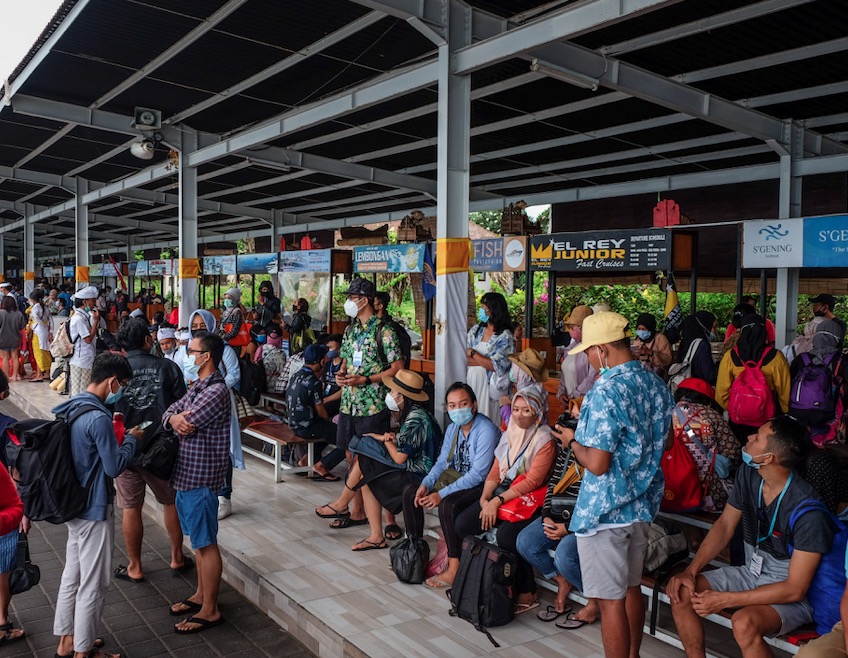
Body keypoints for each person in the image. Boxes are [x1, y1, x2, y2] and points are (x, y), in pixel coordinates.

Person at [557, 312, 674, 658]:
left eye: (591, 352)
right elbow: (665, 445)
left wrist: (571, 442)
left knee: (609, 603)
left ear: (604, 350)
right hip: (641, 508)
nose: (590, 359)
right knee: (632, 587)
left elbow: (597, 463)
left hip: (605, 511)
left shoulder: (604, 391)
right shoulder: (655, 383)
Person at [668, 416, 836, 658]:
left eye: (757, 437)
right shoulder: (749, 473)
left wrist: (725, 599)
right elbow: (725, 525)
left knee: (744, 623)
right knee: (682, 591)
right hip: (750, 572)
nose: (748, 437)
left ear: (769, 458)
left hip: (788, 591)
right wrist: (691, 571)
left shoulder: (807, 511)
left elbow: (795, 589)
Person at [52, 352, 139, 658]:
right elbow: (114, 467)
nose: (122, 390)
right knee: (94, 583)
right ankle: (84, 651)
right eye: (122, 384)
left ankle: (67, 641)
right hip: (94, 507)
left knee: (72, 576)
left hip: (73, 505)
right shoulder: (99, 417)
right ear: (112, 381)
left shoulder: (73, 407)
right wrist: (131, 441)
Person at [452, 387, 556, 613]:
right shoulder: (510, 432)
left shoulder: (545, 440)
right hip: (503, 491)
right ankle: (488, 575)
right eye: (516, 409)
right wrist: (485, 497)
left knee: (508, 536)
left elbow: (532, 482)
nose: (518, 415)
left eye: (526, 410)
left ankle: (527, 590)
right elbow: (496, 468)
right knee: (463, 523)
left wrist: (496, 501)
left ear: (538, 413)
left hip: (530, 499)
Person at [318, 370, 441, 550]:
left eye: (393, 392)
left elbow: (399, 458)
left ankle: (344, 505)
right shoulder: (417, 413)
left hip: (417, 474)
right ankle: (373, 534)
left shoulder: (415, 418)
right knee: (367, 467)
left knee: (366, 454)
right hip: (412, 467)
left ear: (403, 396)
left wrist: (385, 440)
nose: (390, 395)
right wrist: (390, 437)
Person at [112, 318, 191, 584]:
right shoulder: (167, 367)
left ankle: (135, 566)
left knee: (130, 507)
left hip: (126, 450)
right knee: (169, 502)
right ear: (148, 340)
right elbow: (182, 406)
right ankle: (177, 557)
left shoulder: (113, 371)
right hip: (162, 451)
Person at [163, 331, 231, 635]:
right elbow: (172, 413)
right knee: (198, 544)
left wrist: (177, 421)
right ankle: (201, 595)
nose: (187, 355)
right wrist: (172, 420)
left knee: (205, 543)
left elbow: (188, 422)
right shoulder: (198, 386)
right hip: (186, 473)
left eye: (191, 351)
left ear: (207, 357)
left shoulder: (216, 391)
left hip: (202, 476)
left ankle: (210, 609)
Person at [399, 383, 499, 588]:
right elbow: (442, 462)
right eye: (452, 405)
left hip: (480, 486)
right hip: (455, 479)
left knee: (448, 505)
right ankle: (414, 554)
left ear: (473, 405)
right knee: (411, 492)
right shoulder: (453, 428)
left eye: (463, 404)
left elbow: (478, 474)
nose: (457, 409)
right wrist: (426, 484)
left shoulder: (485, 429)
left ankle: (453, 568)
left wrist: (441, 494)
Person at [516, 404, 600, 628]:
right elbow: (553, 485)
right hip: (556, 516)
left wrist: (569, 528)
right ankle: (562, 581)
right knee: (525, 542)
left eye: (576, 416)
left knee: (564, 556)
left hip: (582, 523)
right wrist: (545, 516)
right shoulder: (565, 451)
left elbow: (594, 501)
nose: (568, 422)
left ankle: (596, 600)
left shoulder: (595, 456)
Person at [333, 277, 403, 527]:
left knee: (373, 460)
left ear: (364, 300)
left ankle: (390, 519)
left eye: (351, 298)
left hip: (372, 404)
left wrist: (366, 380)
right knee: (351, 457)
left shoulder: (384, 330)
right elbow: (344, 361)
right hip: (349, 403)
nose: (349, 303)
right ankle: (357, 511)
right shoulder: (351, 330)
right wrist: (340, 376)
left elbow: (397, 368)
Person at [185, 310, 241, 520]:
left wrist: (211, 388)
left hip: (219, 404)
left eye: (202, 325)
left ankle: (223, 497)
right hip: (193, 403)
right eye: (195, 325)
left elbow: (234, 375)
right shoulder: (188, 349)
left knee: (221, 448)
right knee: (199, 447)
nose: (198, 329)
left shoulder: (224, 350)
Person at [716, 313, 791, 442]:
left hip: (738, 419)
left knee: (740, 450)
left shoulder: (730, 356)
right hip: (767, 419)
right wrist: (784, 414)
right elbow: (785, 393)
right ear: (764, 332)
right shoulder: (776, 357)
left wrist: (735, 407)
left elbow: (720, 393)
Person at [672, 378, 742, 512]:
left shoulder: (664, 413)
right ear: (706, 399)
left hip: (671, 490)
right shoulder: (710, 415)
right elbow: (733, 450)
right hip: (708, 493)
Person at [286, 344, 345, 481]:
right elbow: (321, 410)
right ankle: (323, 466)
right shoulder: (314, 382)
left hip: (294, 424)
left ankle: (306, 460)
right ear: (321, 361)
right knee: (346, 440)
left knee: (329, 431)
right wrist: (327, 420)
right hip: (307, 427)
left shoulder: (296, 375)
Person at [0, 371, 25, 647]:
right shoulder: (8, 426)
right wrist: (23, 510)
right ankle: (2, 622)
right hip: (4, 506)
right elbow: (18, 470)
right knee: (2, 571)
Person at [467, 291, 515, 425]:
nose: (482, 312)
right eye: (481, 309)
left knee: (488, 419)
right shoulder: (476, 330)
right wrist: (483, 360)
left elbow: (497, 366)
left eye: (485, 309)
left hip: (490, 386)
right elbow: (462, 356)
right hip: (471, 381)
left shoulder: (505, 336)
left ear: (495, 311)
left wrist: (473, 353)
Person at [556, 305, 596, 409]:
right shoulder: (571, 347)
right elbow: (565, 373)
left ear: (581, 328)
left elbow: (592, 377)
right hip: (571, 403)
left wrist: (574, 395)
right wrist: (561, 393)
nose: (568, 331)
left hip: (583, 403)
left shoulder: (594, 350)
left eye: (571, 328)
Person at [499, 347, 548, 427]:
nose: (513, 369)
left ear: (523, 374)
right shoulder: (537, 388)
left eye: (516, 367)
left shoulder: (528, 394)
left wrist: (504, 407)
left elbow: (518, 426)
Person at [68, 286, 100, 397]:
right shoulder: (79, 319)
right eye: (93, 301)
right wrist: (95, 322)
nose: (94, 303)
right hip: (81, 359)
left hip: (85, 358)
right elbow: (88, 339)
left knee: (84, 388)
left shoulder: (85, 316)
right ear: (85, 302)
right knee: (79, 390)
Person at [674, 311, 718, 386]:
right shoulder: (702, 345)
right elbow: (709, 375)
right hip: (698, 388)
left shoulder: (686, 342)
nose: (715, 330)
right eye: (714, 327)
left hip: (685, 387)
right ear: (705, 326)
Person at [634, 312, 673, 376]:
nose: (641, 331)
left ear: (650, 328)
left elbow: (668, 360)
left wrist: (650, 352)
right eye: (639, 329)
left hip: (658, 375)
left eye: (643, 329)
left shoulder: (660, 338)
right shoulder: (638, 339)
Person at [26, 289, 52, 382]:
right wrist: (49, 329)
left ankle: (39, 374)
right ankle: (47, 372)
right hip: (45, 331)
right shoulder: (46, 307)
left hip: (38, 332)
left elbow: (36, 318)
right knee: (46, 352)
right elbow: (50, 319)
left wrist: (40, 324)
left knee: (38, 353)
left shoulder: (35, 308)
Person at [0, 296, 26, 382]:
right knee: (15, 357)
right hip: (15, 338)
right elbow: (22, 329)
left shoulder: (1, 313)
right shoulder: (19, 314)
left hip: (3, 338)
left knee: (5, 358)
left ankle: (7, 377)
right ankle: (14, 376)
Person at [320, 334, 343, 416]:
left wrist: (327, 400)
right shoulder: (327, 364)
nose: (329, 351)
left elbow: (343, 391)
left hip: (337, 402)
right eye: (328, 348)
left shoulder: (344, 366)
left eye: (331, 348)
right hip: (326, 398)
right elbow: (323, 383)